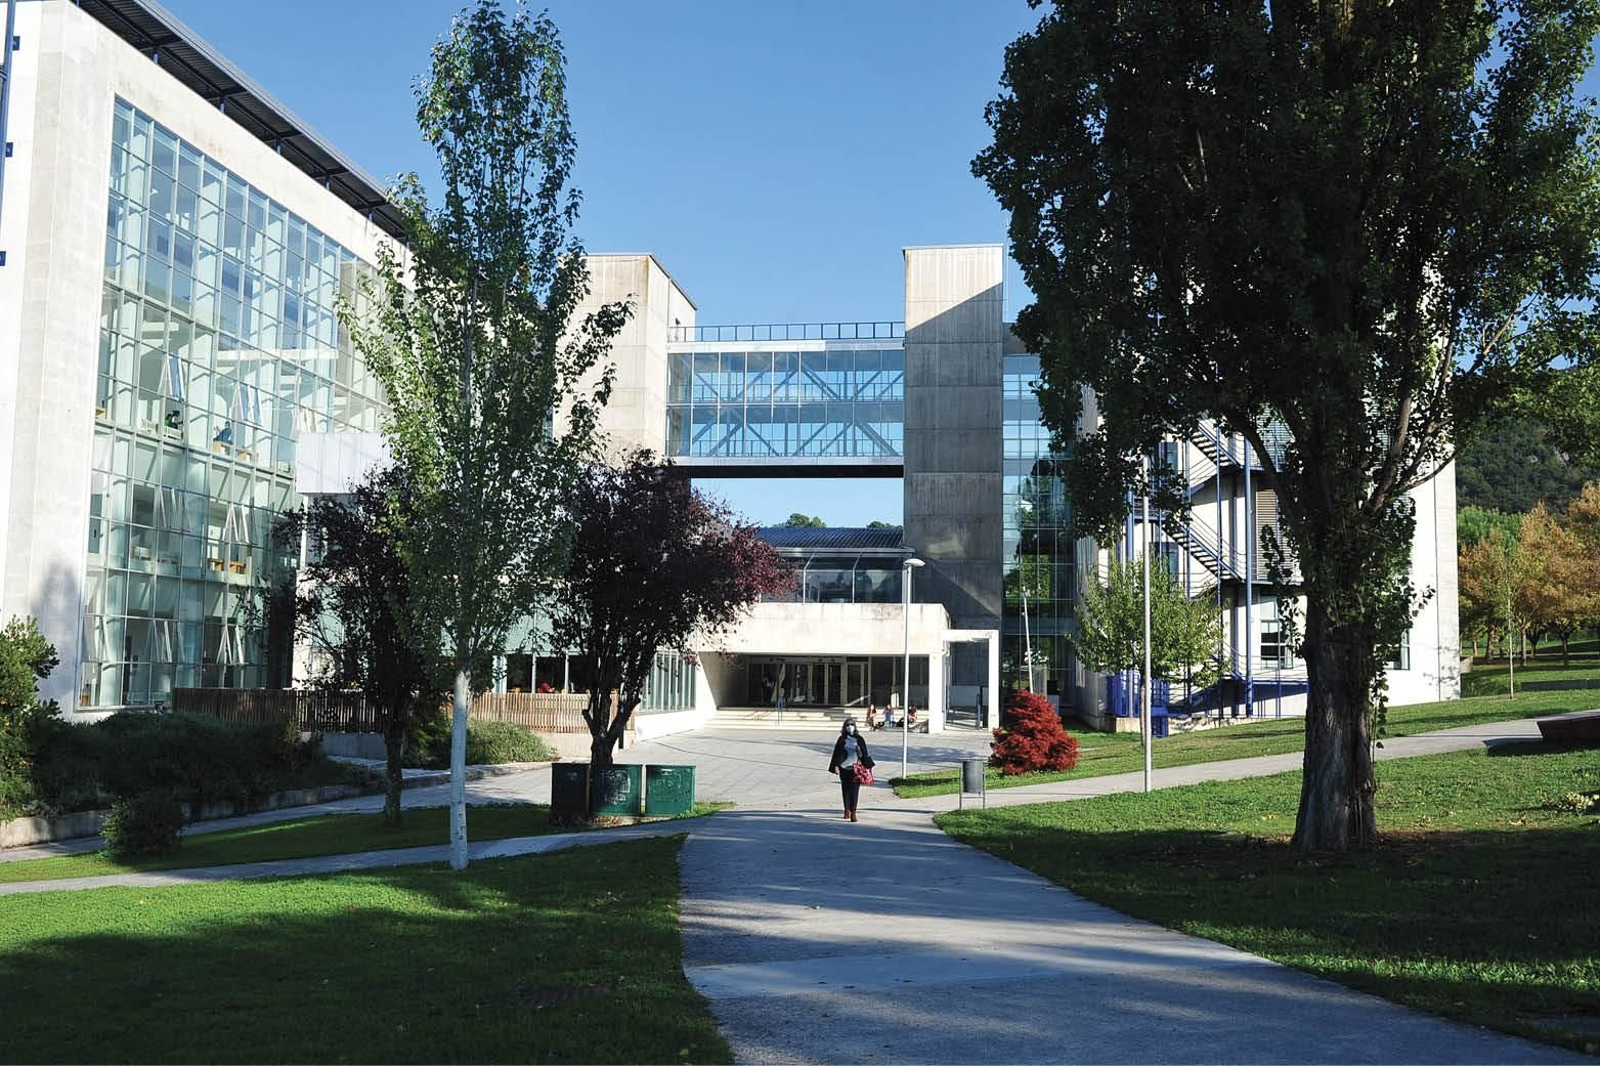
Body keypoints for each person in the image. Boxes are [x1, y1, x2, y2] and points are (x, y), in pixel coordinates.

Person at [827, 718, 875, 822]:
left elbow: (864, 754)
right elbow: (837, 754)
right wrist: (835, 766)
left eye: (852, 724)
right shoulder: (842, 739)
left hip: (855, 768)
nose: (850, 726)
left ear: (855, 726)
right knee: (845, 789)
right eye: (848, 725)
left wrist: (860, 752)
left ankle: (853, 811)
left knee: (854, 790)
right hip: (844, 768)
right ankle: (846, 809)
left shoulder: (859, 739)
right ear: (844, 727)